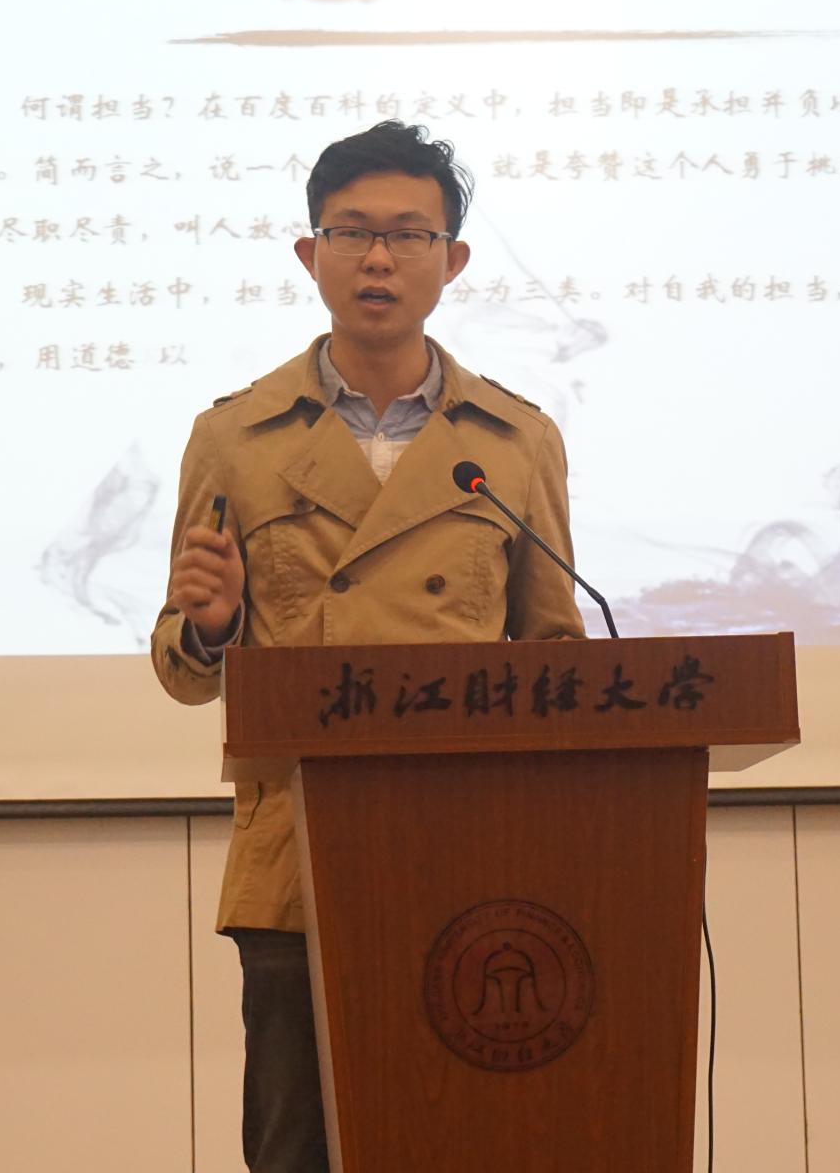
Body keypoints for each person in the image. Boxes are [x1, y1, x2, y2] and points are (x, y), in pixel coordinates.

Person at [148, 120, 587, 1173]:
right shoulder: (235, 437)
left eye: (408, 234)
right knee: (295, 1147)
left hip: (473, 851)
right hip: (297, 856)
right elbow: (180, 666)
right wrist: (210, 625)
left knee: (468, 1139)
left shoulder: (515, 441)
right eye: (352, 233)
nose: (378, 258)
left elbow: (556, 657)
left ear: (453, 260)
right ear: (312, 254)